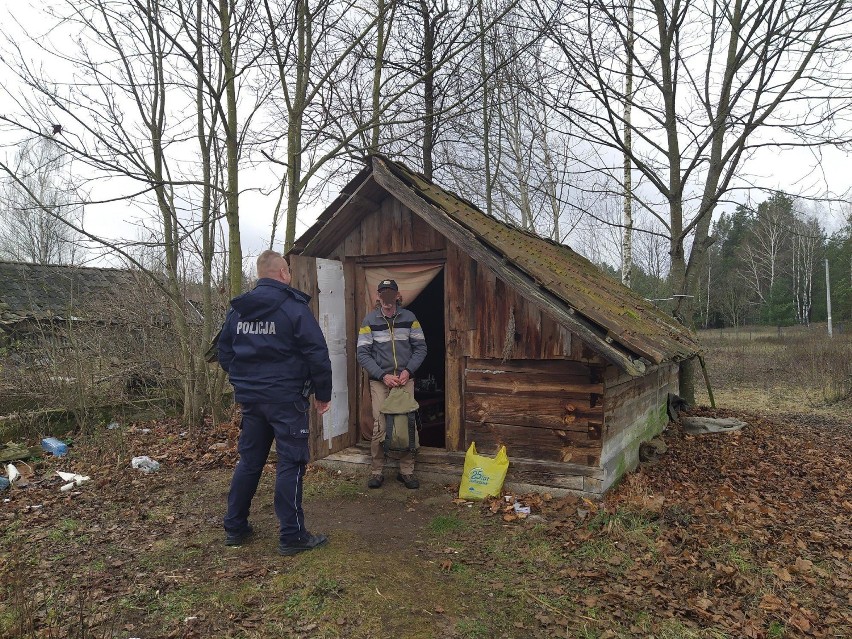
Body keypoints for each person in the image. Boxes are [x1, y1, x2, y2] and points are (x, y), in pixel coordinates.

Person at [218, 250, 332, 556]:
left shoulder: (238, 310)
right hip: (286, 401)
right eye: (289, 272)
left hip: (251, 401)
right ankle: (292, 536)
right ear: (282, 273)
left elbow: (224, 352)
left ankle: (235, 527)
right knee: (291, 462)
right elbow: (317, 353)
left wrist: (243, 380)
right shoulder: (293, 308)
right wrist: (323, 394)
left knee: (250, 461)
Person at [357, 279, 427, 489]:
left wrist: (408, 371)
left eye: (391, 295)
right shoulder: (369, 321)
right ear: (378, 297)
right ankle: (377, 471)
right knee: (380, 424)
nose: (387, 300)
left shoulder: (410, 318)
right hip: (380, 381)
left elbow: (420, 348)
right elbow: (362, 353)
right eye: (383, 295)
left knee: (406, 423)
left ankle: (406, 471)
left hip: (405, 379)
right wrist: (382, 375)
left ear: (397, 296)